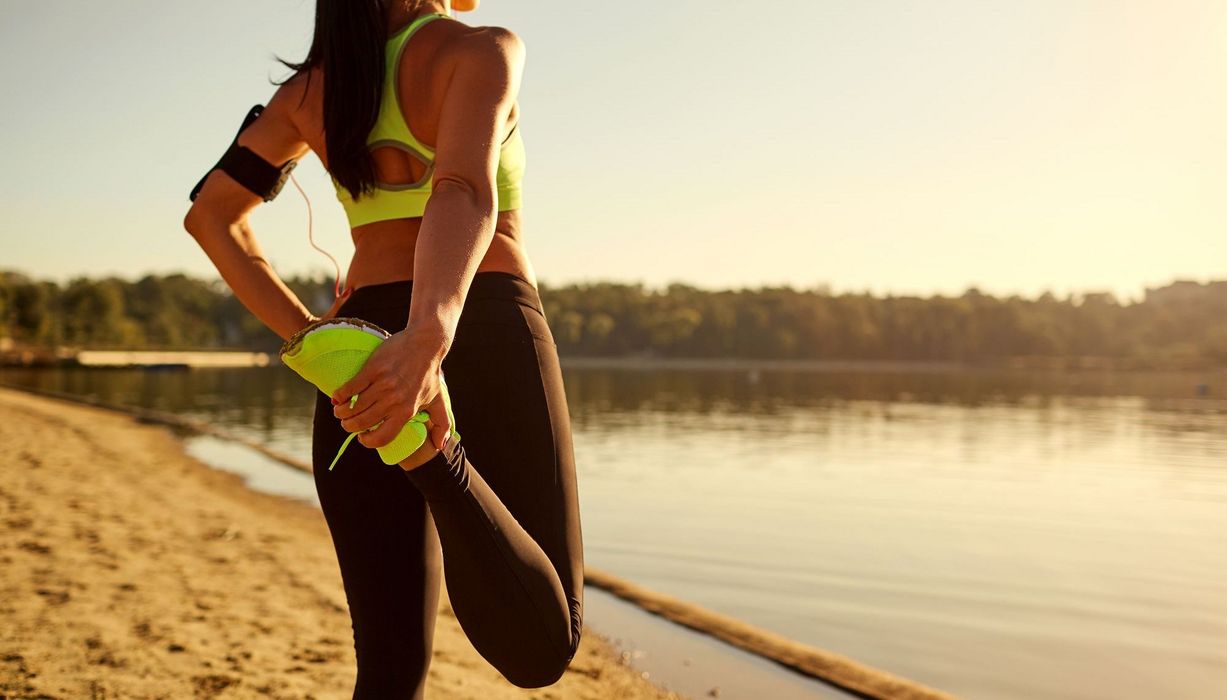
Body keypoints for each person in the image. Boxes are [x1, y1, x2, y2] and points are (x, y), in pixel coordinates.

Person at [181, 1, 584, 696]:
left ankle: (430, 457)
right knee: (544, 645)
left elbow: (210, 218)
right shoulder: (479, 50)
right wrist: (428, 336)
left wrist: (313, 339)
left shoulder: (307, 92)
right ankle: (436, 457)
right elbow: (459, 187)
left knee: (389, 665)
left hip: (359, 349)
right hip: (479, 319)